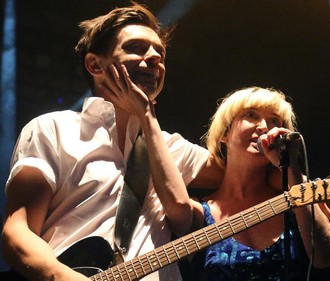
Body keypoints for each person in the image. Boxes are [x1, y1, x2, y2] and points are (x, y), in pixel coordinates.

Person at [1, 3, 222, 281]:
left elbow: (249, 174)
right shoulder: (53, 129)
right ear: (95, 65)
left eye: (159, 52)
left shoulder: (171, 148)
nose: (154, 57)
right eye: (137, 48)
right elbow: (17, 232)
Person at [156, 86, 330, 280]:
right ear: (224, 134)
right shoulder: (201, 212)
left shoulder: (295, 199)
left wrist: (290, 167)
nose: (263, 127)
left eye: (274, 121)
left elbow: (324, 257)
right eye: (251, 115)